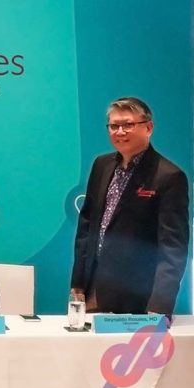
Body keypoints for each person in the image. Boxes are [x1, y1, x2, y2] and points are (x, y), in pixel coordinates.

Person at [71, 97, 189, 316]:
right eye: (114, 126)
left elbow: (173, 248)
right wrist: (78, 282)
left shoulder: (169, 176)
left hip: (139, 297)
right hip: (94, 289)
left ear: (148, 128)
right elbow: (86, 227)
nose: (120, 132)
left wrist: (160, 306)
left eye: (128, 125)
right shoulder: (101, 165)